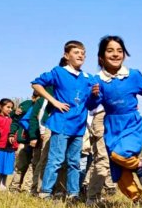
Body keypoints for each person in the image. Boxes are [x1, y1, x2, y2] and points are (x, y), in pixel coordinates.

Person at [91, 35, 142, 205]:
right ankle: (138, 199)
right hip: (112, 126)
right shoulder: (97, 80)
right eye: (110, 51)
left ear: (125, 55)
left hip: (132, 124)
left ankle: (138, 166)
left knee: (119, 155)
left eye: (119, 51)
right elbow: (92, 106)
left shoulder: (133, 75)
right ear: (101, 57)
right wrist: (93, 95)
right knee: (119, 172)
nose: (115, 54)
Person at [31, 40, 101, 201]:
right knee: (55, 160)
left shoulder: (88, 77)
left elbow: (91, 105)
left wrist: (95, 95)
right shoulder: (58, 72)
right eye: (76, 53)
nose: (81, 56)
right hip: (61, 123)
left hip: (78, 127)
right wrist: (54, 101)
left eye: (83, 53)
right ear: (66, 55)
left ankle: (73, 194)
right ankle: (46, 193)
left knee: (74, 162)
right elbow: (36, 84)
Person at [84, 103, 117, 205]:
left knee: (102, 159)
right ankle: (93, 197)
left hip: (113, 115)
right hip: (102, 115)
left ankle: (93, 193)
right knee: (103, 158)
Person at [9, 93, 39, 193]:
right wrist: (12, 133)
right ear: (33, 98)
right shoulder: (26, 104)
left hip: (38, 141)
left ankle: (28, 188)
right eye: (37, 98)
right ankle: (14, 187)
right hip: (24, 140)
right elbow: (16, 119)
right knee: (20, 165)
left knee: (33, 165)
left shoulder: (45, 106)